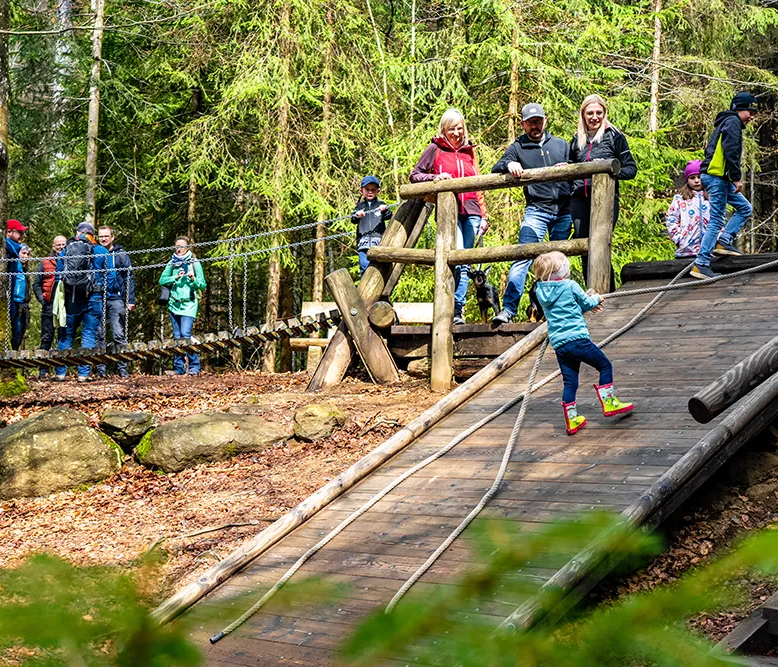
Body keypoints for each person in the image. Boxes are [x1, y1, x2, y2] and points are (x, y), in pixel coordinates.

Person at [533, 250, 633, 435]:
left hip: (560, 345)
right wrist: (597, 299)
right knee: (604, 366)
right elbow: (587, 303)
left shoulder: (540, 291)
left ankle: (572, 420)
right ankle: (609, 403)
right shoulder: (570, 285)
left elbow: (564, 306)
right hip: (577, 339)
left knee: (570, 383)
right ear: (562, 271)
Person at [491, 102, 572, 325]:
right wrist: (510, 165)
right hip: (537, 209)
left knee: (560, 262)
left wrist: (568, 170)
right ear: (523, 124)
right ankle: (508, 309)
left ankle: (558, 310)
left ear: (545, 120)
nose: (534, 126)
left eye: (538, 121)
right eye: (530, 123)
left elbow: (577, 168)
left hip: (563, 211)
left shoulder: (561, 145)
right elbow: (497, 166)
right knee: (522, 257)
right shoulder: (518, 146)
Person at [410, 108, 489, 324]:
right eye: (452, 128)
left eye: (460, 128)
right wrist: (436, 177)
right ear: (444, 130)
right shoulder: (435, 149)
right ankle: (455, 309)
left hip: (472, 212)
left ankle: (458, 310)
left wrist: (484, 214)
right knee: (459, 257)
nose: (457, 132)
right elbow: (415, 175)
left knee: (465, 262)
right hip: (449, 214)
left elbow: (478, 182)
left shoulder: (469, 151)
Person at [569, 94, 637, 291]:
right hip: (579, 199)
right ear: (583, 115)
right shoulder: (576, 140)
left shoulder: (615, 137)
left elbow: (631, 169)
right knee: (584, 249)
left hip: (605, 201)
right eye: (590, 113)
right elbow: (573, 166)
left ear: (605, 113)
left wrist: (609, 169)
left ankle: (608, 293)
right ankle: (591, 293)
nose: (594, 117)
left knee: (600, 246)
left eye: (599, 113)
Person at [692, 92, 758, 279]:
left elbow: (711, 151)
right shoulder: (733, 122)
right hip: (717, 177)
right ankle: (701, 264)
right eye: (750, 111)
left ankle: (724, 240)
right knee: (716, 220)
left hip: (717, 177)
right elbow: (731, 151)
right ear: (739, 108)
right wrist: (737, 177)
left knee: (745, 208)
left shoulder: (726, 122)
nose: (752, 116)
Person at [54, 222, 109, 382]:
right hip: (94, 297)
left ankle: (60, 373)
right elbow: (111, 276)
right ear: (92, 234)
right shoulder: (101, 251)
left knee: (66, 334)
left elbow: (58, 274)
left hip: (72, 298)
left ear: (77, 233)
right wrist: (103, 289)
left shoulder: (66, 251)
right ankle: (83, 374)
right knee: (89, 333)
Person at [159, 236, 206, 376]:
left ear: (188, 248)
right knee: (177, 336)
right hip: (174, 303)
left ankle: (194, 366)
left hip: (189, 304)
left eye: (182, 246)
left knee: (185, 334)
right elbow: (162, 280)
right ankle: (178, 368)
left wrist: (193, 280)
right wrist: (175, 277)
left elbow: (202, 284)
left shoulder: (194, 263)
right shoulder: (172, 263)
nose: (179, 249)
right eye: (176, 246)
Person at [95, 226, 135, 378]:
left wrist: (130, 300)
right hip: (98, 297)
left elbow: (129, 278)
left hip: (117, 298)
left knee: (118, 333)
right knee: (99, 334)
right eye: (101, 236)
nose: (103, 239)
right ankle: (101, 369)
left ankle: (122, 367)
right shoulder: (95, 253)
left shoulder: (120, 255)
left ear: (112, 237)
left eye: (106, 236)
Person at [33, 235, 67, 377]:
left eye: (63, 245)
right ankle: (43, 370)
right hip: (49, 304)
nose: (60, 247)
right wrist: (42, 300)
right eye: (58, 245)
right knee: (46, 337)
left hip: (65, 305)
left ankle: (60, 370)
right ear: (53, 246)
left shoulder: (70, 262)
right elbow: (36, 283)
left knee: (63, 337)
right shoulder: (46, 262)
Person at [665, 160, 710, 258]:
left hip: (709, 251)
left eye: (699, 177)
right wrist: (678, 239)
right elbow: (671, 218)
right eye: (692, 178)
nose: (697, 180)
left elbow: (719, 219)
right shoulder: (680, 198)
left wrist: (719, 238)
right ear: (687, 180)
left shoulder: (712, 197)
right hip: (686, 251)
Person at [351, 176, 393, 277]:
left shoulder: (381, 204)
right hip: (363, 243)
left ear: (378, 191)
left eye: (373, 189)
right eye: (367, 189)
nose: (370, 192)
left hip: (378, 242)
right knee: (364, 266)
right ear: (362, 191)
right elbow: (353, 219)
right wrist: (357, 215)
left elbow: (389, 216)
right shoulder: (359, 206)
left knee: (379, 267)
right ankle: (363, 289)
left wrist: (385, 210)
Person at [5, 219, 29, 351]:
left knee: (17, 322)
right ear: (9, 232)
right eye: (19, 232)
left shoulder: (15, 248)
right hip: (9, 290)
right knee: (12, 321)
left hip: (17, 295)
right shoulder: (8, 246)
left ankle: (14, 348)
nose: (22, 235)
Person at [10, 244, 32, 350]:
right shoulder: (15, 265)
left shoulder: (24, 268)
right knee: (16, 333)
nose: (26, 256)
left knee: (21, 332)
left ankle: (15, 349)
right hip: (16, 302)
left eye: (27, 254)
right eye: (23, 253)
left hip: (24, 303)